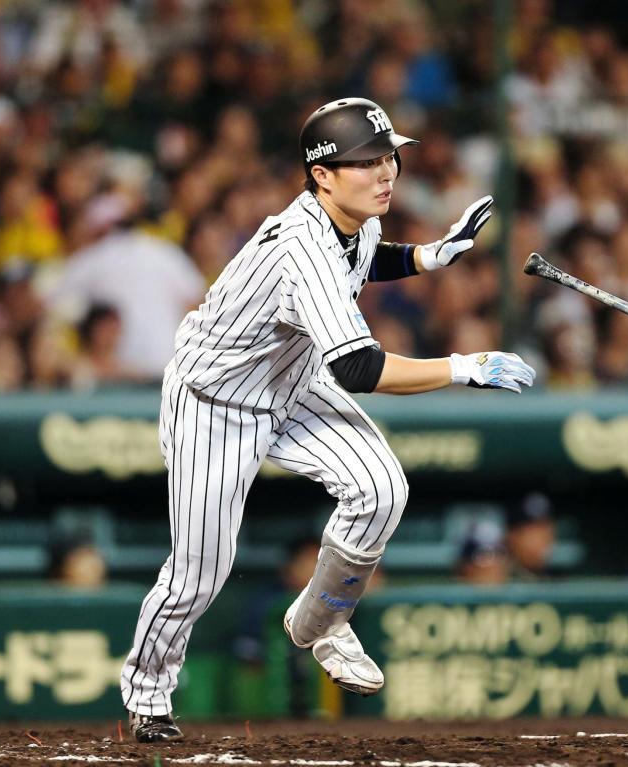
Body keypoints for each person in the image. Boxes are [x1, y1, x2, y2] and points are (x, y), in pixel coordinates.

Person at [119, 97, 536, 743]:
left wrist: (427, 257)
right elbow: (362, 369)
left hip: (288, 381)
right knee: (200, 570)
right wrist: (463, 366)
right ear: (322, 174)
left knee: (381, 488)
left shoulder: (354, 215)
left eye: (388, 155)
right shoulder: (301, 248)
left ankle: (321, 622)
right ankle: (147, 693)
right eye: (365, 161)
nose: (385, 171)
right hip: (216, 403)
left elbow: (366, 256)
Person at [505, 491, 557, 580]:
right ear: (512, 536)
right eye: (533, 532)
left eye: (546, 531)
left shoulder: (554, 580)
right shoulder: (497, 581)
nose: (543, 541)